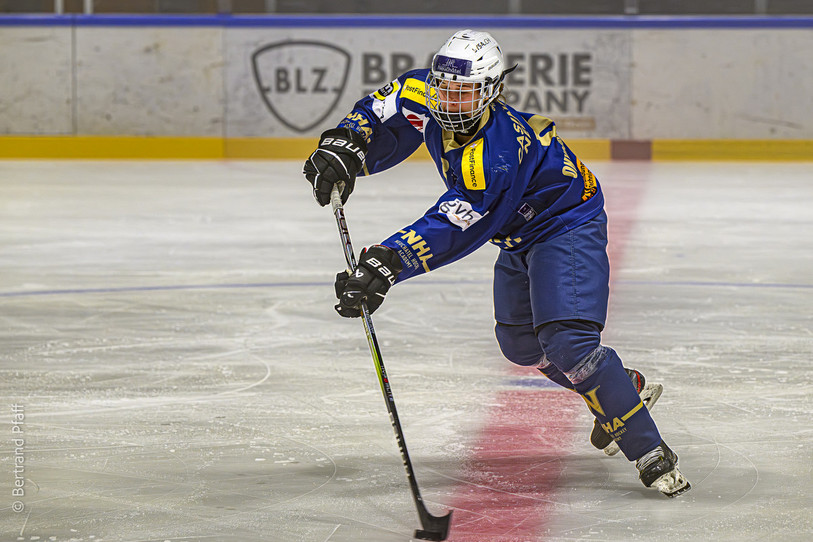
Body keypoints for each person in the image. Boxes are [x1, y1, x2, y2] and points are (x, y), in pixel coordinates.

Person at [303, 29, 690, 497]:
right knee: (520, 344)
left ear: (493, 90)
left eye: (464, 92)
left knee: (568, 342)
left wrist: (388, 262)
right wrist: (346, 142)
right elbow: (381, 109)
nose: (449, 100)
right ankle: (622, 387)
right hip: (517, 233)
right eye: (444, 86)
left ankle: (649, 450)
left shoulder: (497, 154)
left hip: (564, 224)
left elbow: (457, 222)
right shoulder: (422, 91)